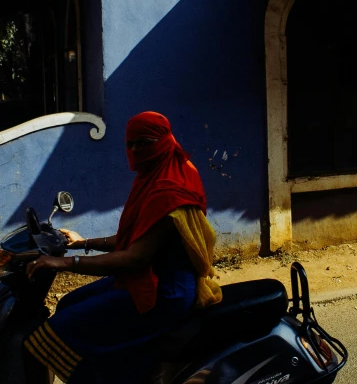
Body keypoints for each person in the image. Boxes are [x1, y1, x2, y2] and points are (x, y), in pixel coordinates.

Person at [24, 111, 222, 383]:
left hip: (164, 292)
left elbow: (134, 258)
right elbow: (134, 237)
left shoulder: (169, 189)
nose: (136, 150)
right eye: (131, 144)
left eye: (145, 142)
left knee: (54, 332)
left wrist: (64, 264)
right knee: (69, 303)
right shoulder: (156, 173)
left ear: (164, 141)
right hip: (148, 278)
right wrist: (83, 243)